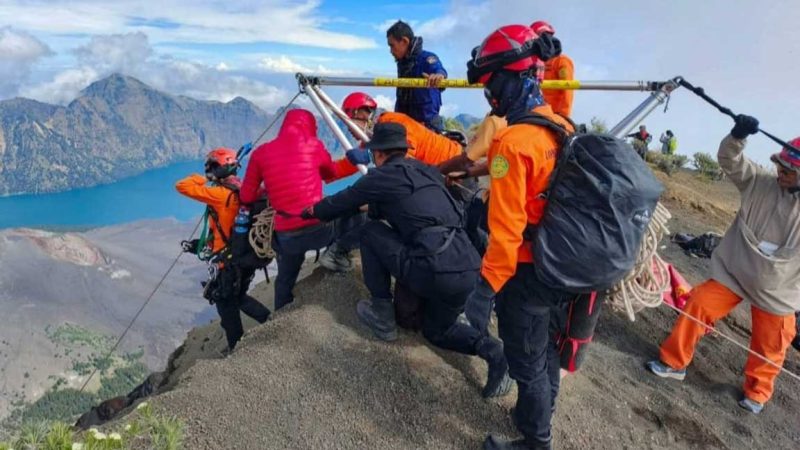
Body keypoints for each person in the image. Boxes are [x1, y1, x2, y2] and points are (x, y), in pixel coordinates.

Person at [303, 122, 513, 399]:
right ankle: (495, 352)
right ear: (404, 150)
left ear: (378, 154)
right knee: (438, 332)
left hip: (433, 269)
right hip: (467, 266)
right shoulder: (427, 171)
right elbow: (408, 205)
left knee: (369, 231)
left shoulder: (380, 177)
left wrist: (306, 212)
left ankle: (381, 314)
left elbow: (337, 203)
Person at [462, 25, 586, 450]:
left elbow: (507, 228)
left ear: (514, 77)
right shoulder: (559, 125)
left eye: (491, 84)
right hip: (561, 264)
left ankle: (536, 440)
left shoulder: (513, 145)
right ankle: (539, 414)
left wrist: (485, 287)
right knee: (546, 348)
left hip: (528, 269)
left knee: (527, 360)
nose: (489, 96)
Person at [647, 118, 800, 415]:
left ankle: (756, 393)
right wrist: (737, 135)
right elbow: (729, 159)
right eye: (780, 165)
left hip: (779, 292)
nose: (781, 172)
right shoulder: (758, 180)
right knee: (699, 303)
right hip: (735, 271)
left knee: (772, 345)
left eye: (790, 170)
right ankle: (673, 363)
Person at [239, 109, 357, 310]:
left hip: (287, 238)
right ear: (310, 127)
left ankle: (279, 319)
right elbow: (330, 173)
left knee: (285, 279)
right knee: (358, 214)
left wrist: (268, 186)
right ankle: (336, 252)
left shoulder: (261, 153)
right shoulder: (314, 146)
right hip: (319, 232)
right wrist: (354, 160)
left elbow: (246, 197)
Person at [176, 148, 271, 351]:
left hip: (227, 262)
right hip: (246, 255)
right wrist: (198, 246)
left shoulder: (220, 194)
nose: (208, 170)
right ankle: (271, 321)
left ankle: (236, 348)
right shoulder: (244, 190)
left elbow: (182, 186)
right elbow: (226, 229)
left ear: (217, 169)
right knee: (239, 297)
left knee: (226, 304)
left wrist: (205, 177)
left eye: (210, 166)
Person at [387, 20, 447, 131]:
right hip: (406, 123)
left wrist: (438, 76)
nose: (391, 51)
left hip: (427, 125)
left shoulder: (426, 58)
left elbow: (439, 70)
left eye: (392, 46)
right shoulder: (403, 63)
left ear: (404, 41)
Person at [530, 21, 575, 118]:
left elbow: (568, 91)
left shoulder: (561, 61)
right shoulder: (535, 64)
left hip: (555, 117)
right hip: (537, 115)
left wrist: (563, 117)